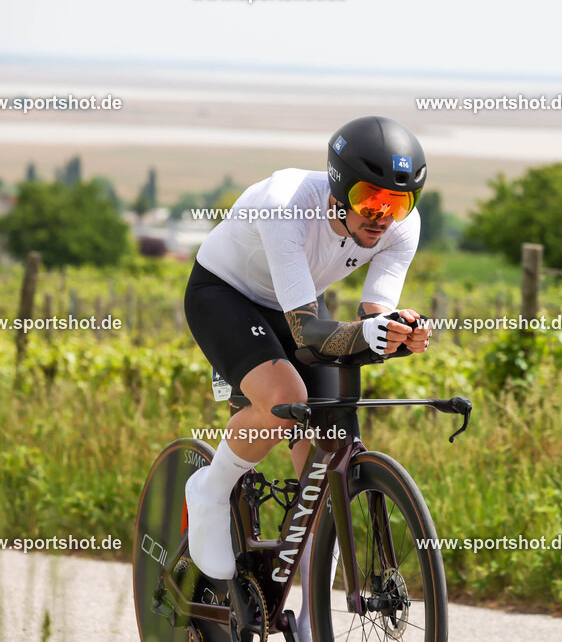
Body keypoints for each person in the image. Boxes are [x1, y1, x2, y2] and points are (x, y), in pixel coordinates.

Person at [182, 116, 432, 637]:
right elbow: (305, 334)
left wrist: (396, 332)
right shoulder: (288, 203)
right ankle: (209, 489)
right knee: (283, 396)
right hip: (226, 294)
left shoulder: (402, 227)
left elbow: (369, 318)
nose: (383, 216)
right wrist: (372, 335)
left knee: (323, 454)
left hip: (299, 303)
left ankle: (312, 610)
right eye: (370, 199)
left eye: (397, 202)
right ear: (338, 189)